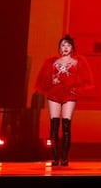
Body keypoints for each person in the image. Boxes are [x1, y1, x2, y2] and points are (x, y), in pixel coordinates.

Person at [34, 34, 94, 166]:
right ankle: (55, 157)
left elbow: (86, 80)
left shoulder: (78, 61)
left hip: (69, 94)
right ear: (59, 47)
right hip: (55, 93)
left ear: (72, 48)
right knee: (54, 125)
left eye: (68, 45)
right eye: (63, 45)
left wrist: (76, 89)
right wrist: (52, 82)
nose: (65, 47)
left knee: (66, 125)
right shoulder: (51, 62)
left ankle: (65, 157)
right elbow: (44, 79)